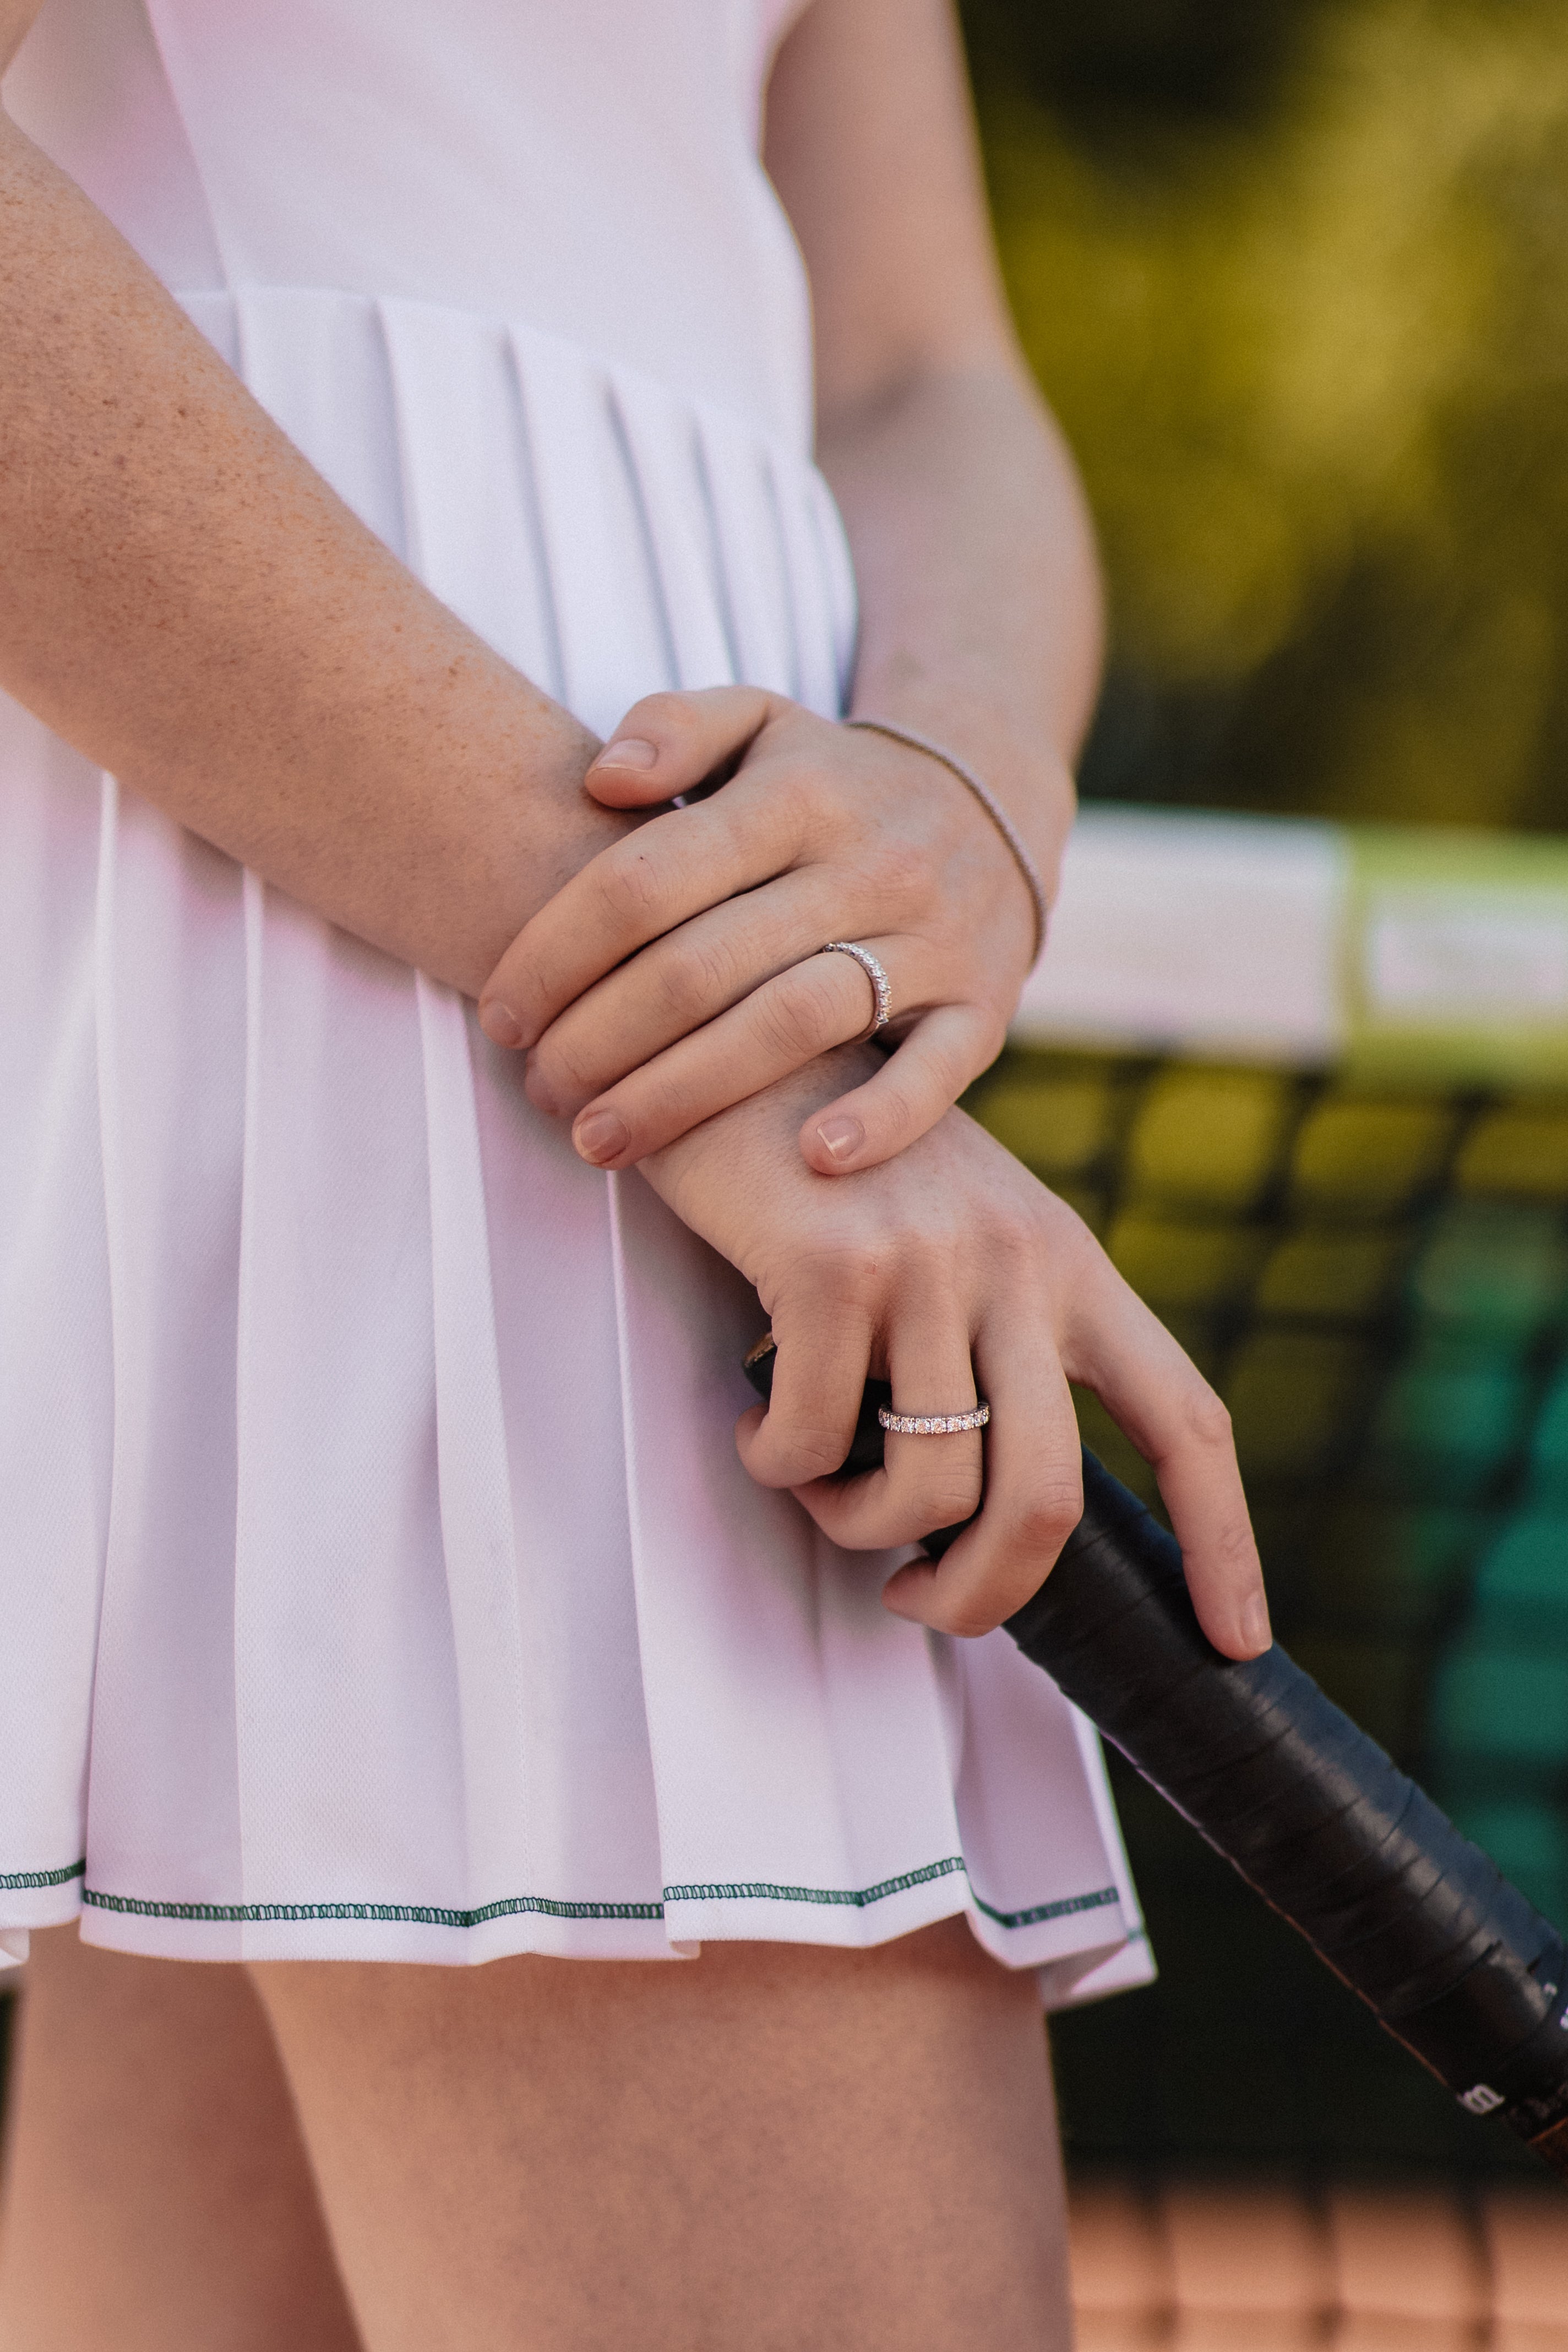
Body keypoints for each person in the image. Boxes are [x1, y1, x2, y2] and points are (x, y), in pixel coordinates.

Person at [0, 3, 1268, 2345]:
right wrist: (693, 1034)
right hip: (356, 902)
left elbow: (913, 357)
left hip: (613, 975)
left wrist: (962, 789)